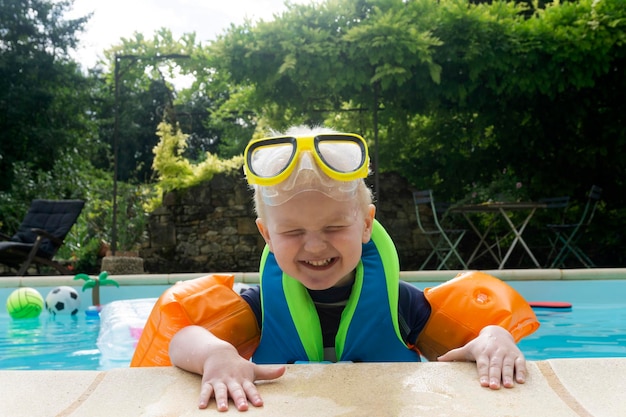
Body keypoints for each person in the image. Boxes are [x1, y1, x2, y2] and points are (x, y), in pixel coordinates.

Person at [169, 126, 528, 412]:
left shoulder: (399, 304)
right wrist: (217, 355)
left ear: (366, 225)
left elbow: (464, 343)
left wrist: (494, 337)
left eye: (334, 228)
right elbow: (183, 339)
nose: (314, 245)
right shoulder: (261, 305)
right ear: (267, 235)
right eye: (293, 232)